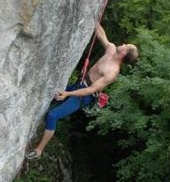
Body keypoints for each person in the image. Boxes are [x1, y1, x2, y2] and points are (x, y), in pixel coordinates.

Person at [26, 23, 138, 160]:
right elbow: (101, 35)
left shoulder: (112, 72)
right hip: (78, 84)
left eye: (126, 46)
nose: (124, 43)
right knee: (49, 95)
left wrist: (67, 94)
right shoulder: (111, 49)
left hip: (83, 97)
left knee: (52, 115)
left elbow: (91, 90)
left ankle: (39, 150)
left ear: (123, 54)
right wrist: (95, 20)